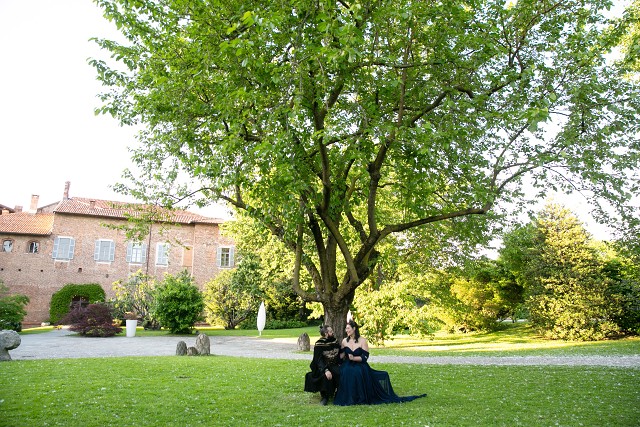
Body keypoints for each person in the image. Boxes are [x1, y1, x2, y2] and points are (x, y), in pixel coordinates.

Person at [333, 320, 426, 406]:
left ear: (354, 329)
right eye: (346, 328)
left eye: (348, 328)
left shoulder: (362, 340)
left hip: (360, 364)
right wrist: (335, 358)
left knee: (357, 371)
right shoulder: (344, 341)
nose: (346, 330)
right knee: (346, 371)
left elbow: (365, 357)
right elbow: (342, 354)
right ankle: (349, 397)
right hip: (348, 363)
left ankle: (359, 397)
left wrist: (354, 358)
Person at [304, 324, 341, 405]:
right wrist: (325, 370)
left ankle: (338, 394)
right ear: (326, 333)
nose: (333, 332)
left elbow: (339, 353)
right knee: (325, 376)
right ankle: (325, 397)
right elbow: (318, 360)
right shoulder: (319, 344)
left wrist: (340, 362)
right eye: (331, 331)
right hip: (322, 366)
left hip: (334, 365)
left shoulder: (335, 341)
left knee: (339, 373)